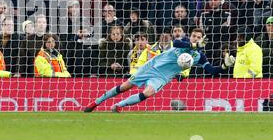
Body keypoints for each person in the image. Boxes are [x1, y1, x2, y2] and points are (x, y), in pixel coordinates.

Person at [84, 28, 236, 112]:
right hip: (151, 67)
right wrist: (194, 45)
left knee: (148, 93)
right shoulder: (182, 42)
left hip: (162, 77)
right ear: (190, 36)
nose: (195, 38)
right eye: (194, 36)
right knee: (125, 87)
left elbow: (212, 71)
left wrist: (224, 66)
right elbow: (176, 43)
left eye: (198, 37)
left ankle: (118, 106)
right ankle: (95, 102)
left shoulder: (199, 56)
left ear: (202, 39)